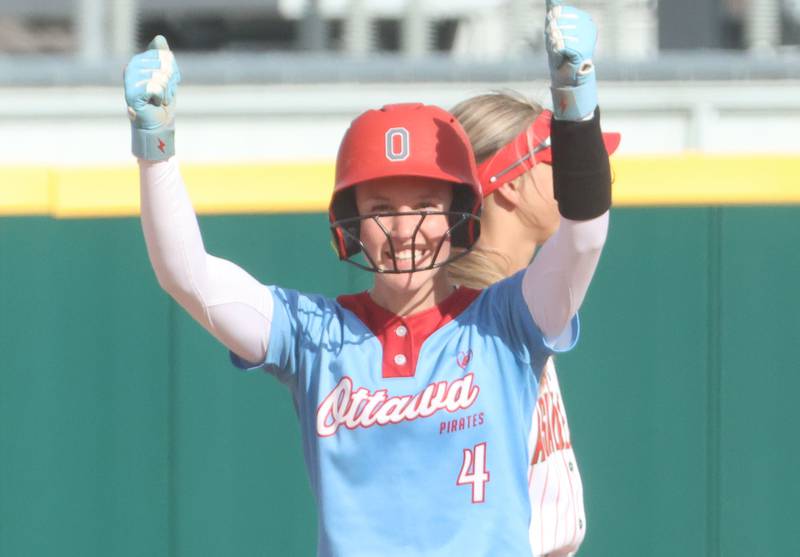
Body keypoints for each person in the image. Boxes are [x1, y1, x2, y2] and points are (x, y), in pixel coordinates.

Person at [123, 1, 613, 554]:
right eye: (381, 207)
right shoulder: (316, 335)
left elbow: (584, 235)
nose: (405, 228)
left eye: (426, 203)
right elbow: (187, 275)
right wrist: (155, 149)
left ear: (459, 215)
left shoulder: (503, 323)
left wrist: (576, 105)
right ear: (352, 225)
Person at [448, 91, 620, 556]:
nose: (569, 173)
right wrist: (576, 97)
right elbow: (586, 234)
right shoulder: (482, 317)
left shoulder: (504, 302)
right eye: (553, 159)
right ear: (508, 183)